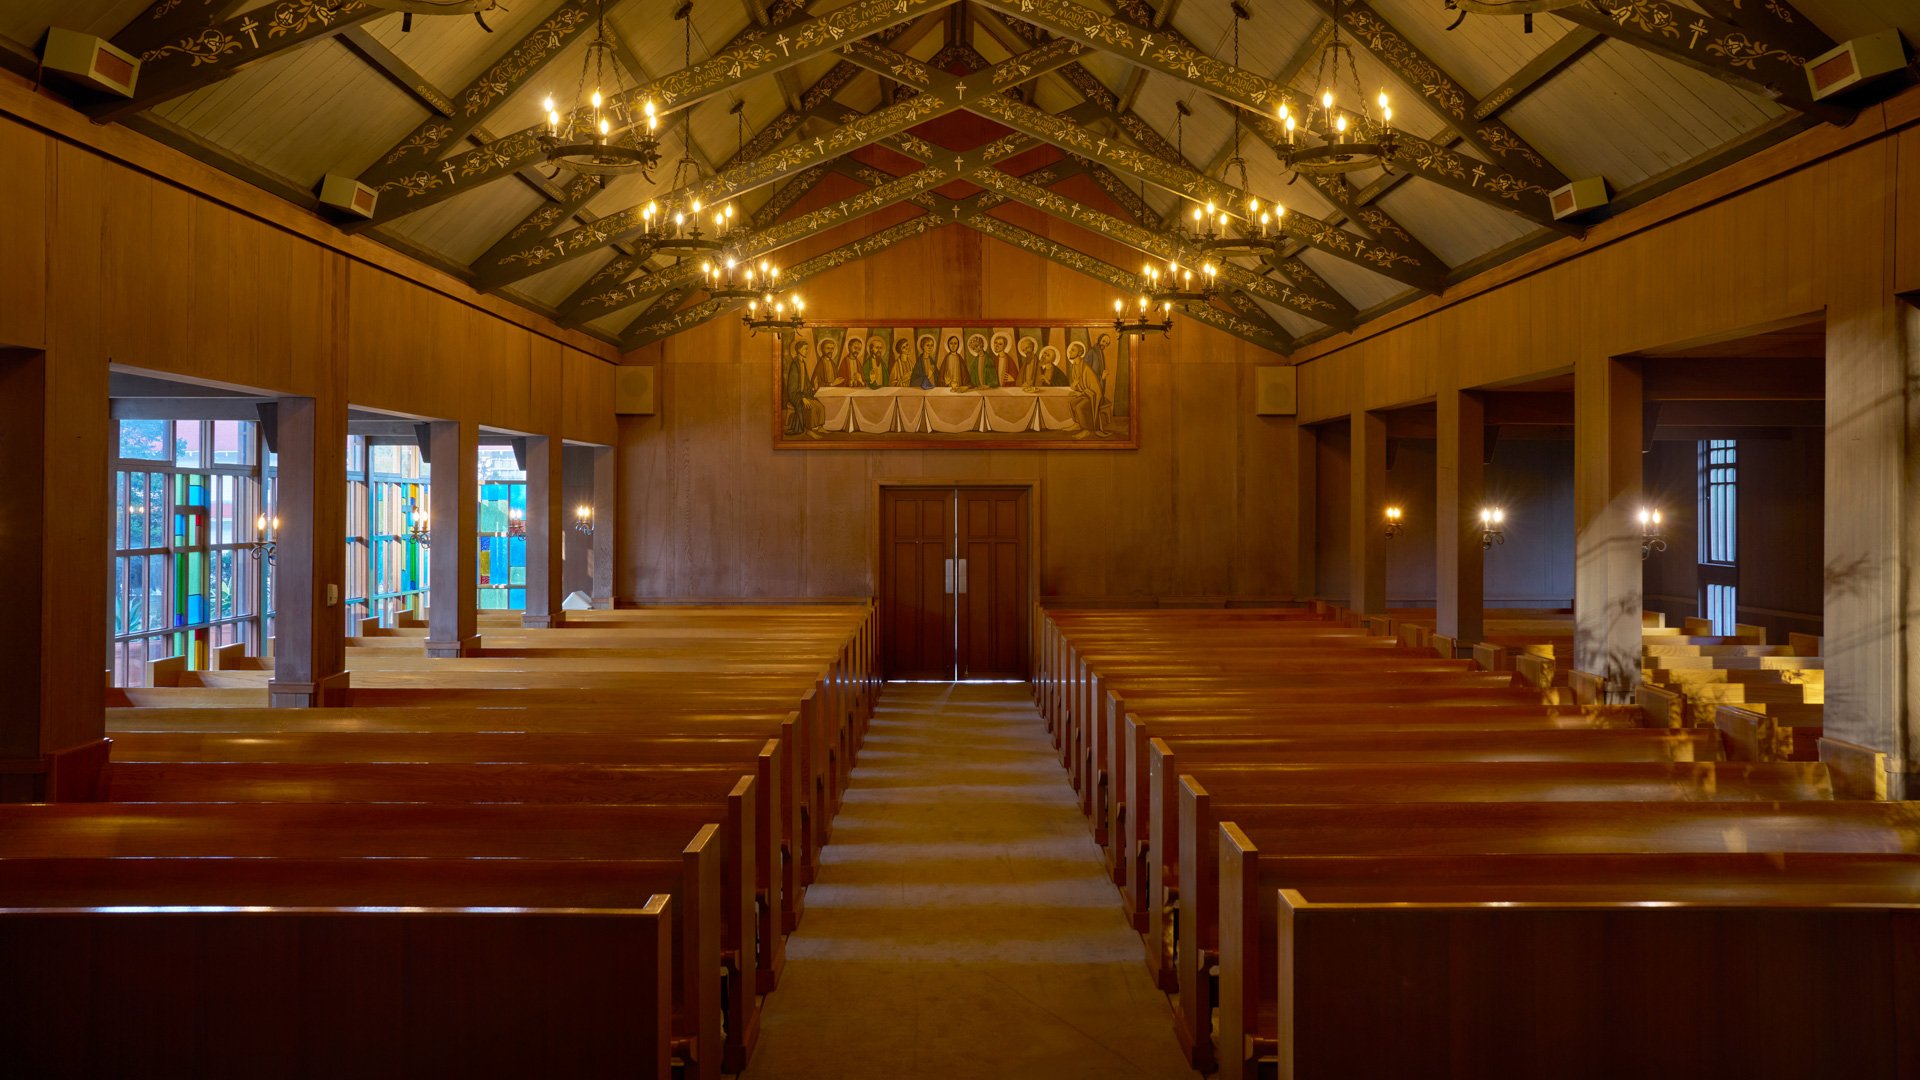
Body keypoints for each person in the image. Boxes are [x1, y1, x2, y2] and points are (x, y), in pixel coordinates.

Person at [1064, 342, 1111, 438]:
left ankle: (1087, 430)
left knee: (1079, 407)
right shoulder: (1074, 366)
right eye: (1070, 350)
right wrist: (1075, 387)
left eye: (1073, 350)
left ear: (1079, 352)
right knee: (1072, 403)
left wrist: (1080, 393)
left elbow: (1094, 390)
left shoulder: (1085, 368)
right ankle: (1078, 424)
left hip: (1093, 396)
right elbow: (1075, 384)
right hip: (1085, 394)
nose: (1070, 352)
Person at [782, 347, 823, 436]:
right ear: (799, 350)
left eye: (806, 349)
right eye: (805, 349)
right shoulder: (794, 364)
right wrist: (802, 397)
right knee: (810, 407)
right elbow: (792, 385)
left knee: (819, 405)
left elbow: (806, 381)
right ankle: (809, 430)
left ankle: (820, 427)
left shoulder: (802, 363)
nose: (807, 350)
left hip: (803, 393)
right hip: (795, 394)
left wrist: (811, 388)